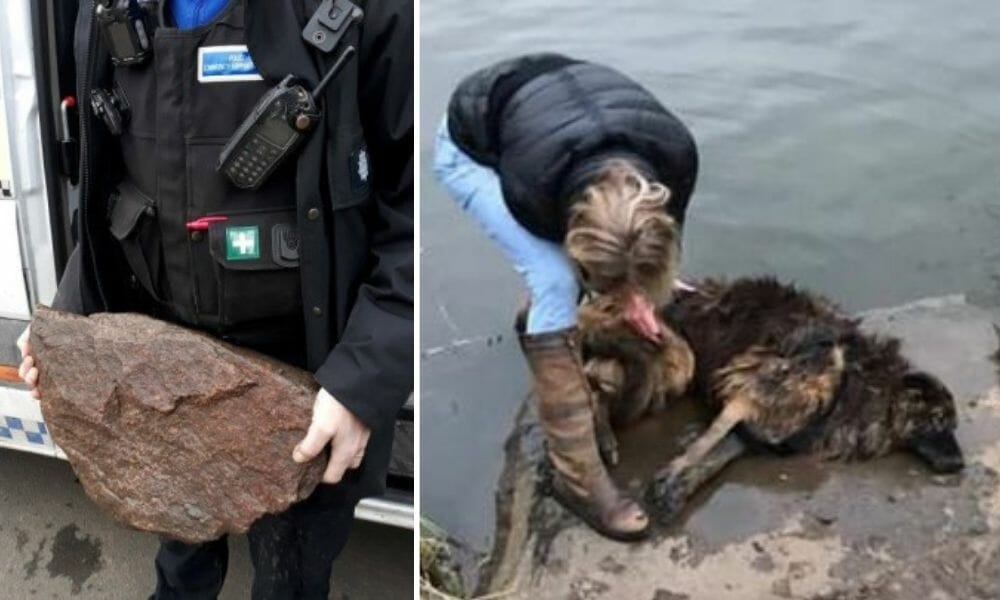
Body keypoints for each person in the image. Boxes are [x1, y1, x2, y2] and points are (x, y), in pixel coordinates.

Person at [17, 0, 413, 597]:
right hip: (161, 371)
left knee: (292, 575)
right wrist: (67, 321)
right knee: (179, 558)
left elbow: (418, 212)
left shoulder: (372, 14)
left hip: (308, 386)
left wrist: (360, 384)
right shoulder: (106, 12)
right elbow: (107, 191)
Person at [434, 53, 698, 541]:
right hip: (471, 145)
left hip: (557, 117)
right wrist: (600, 291)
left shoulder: (677, 156)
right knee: (554, 280)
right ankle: (574, 480)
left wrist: (640, 291)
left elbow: (661, 240)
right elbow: (563, 256)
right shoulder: (533, 189)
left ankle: (535, 322)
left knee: (602, 279)